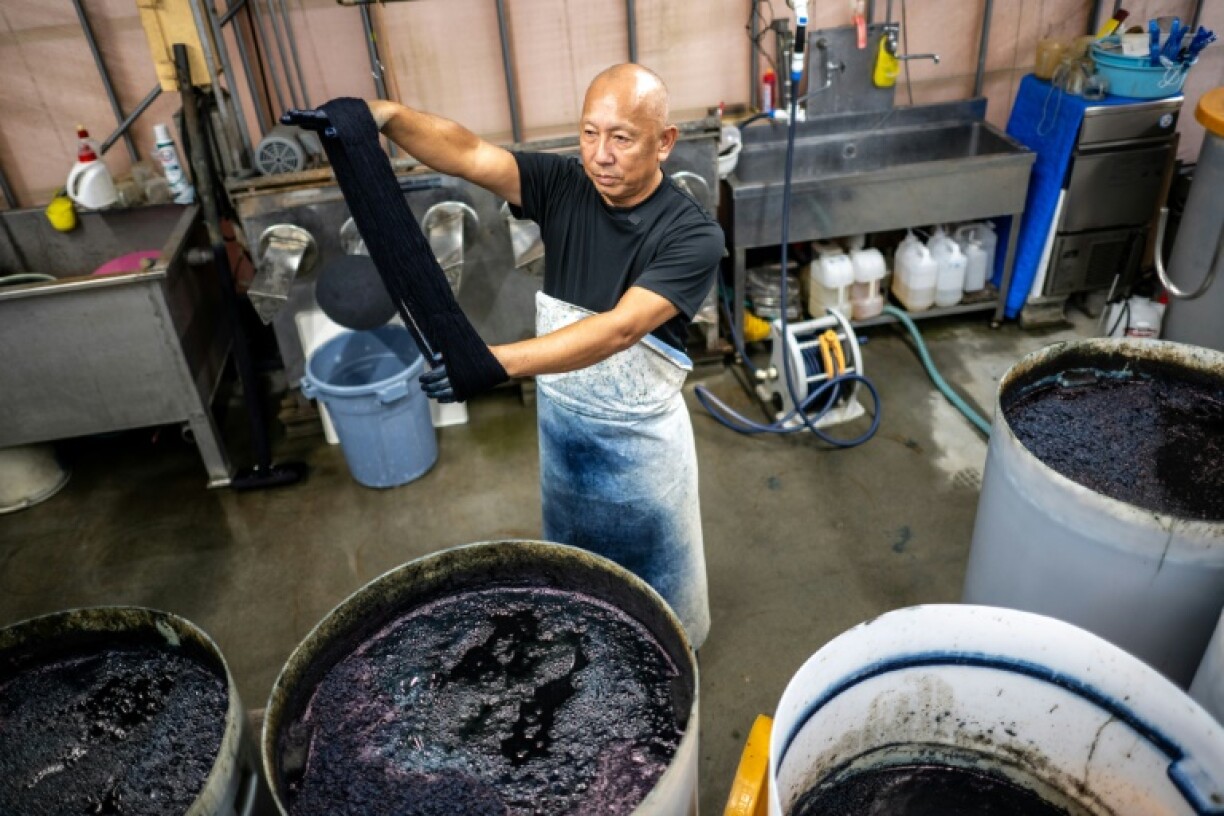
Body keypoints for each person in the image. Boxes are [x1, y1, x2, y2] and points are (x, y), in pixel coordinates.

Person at [367, 64, 722, 648]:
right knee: (579, 593)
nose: (600, 155)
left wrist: (492, 362)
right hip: (562, 438)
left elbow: (619, 330)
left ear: (664, 142)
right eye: (589, 133)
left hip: (640, 457)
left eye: (622, 138)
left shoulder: (692, 235)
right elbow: (467, 153)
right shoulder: (562, 185)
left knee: (658, 614)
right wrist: (385, 117)